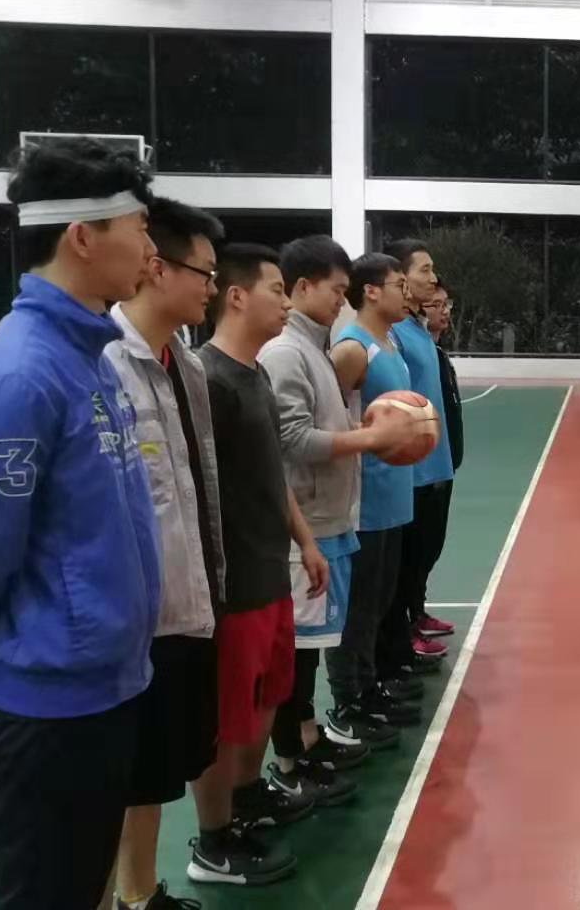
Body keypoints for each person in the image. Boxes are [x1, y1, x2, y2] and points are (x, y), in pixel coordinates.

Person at [0, 139, 160, 910]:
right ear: (82, 236)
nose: (150, 248)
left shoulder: (90, 357)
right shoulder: (21, 373)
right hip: (43, 707)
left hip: (102, 689)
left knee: (82, 886)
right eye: (139, 227)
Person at [188, 245, 330, 888]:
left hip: (271, 570)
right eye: (276, 289)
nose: (285, 302)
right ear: (236, 296)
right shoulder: (207, 380)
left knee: (269, 696)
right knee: (227, 717)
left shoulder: (256, 376)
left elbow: (272, 475)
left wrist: (305, 541)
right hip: (234, 583)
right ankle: (212, 841)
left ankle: (246, 801)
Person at [105, 199, 228, 910]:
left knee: (152, 771)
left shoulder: (185, 364)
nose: (212, 287)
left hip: (187, 600)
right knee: (107, 783)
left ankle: (141, 891)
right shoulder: (103, 365)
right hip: (128, 622)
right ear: (157, 267)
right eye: (203, 272)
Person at [261, 236, 423, 773]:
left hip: (333, 515)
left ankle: (313, 735)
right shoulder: (288, 352)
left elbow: (329, 423)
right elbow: (291, 438)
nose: (341, 299)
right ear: (302, 287)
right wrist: (369, 439)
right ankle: (298, 752)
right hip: (309, 521)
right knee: (304, 649)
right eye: (335, 290)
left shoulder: (314, 346)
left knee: (325, 637)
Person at [326, 254, 424, 743]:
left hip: (393, 498)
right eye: (398, 285)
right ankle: (349, 700)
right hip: (363, 502)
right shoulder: (352, 349)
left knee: (381, 601)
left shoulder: (391, 343)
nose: (406, 294)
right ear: (370, 291)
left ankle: (371, 685)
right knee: (358, 608)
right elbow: (333, 421)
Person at [381, 239, 456, 670]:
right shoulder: (392, 334)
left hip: (436, 465)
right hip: (411, 471)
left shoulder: (419, 330)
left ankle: (415, 618)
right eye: (424, 269)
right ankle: (404, 635)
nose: (433, 277)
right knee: (404, 561)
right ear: (400, 278)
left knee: (426, 551)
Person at [424, 279, 464, 481]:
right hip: (429, 468)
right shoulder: (420, 356)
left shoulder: (439, 354)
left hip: (447, 463)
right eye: (437, 305)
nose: (445, 311)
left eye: (446, 304)